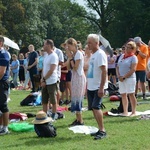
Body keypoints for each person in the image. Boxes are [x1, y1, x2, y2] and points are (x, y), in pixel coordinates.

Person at [86, 34, 107, 140]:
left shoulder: (100, 54)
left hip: (98, 86)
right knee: (93, 108)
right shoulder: (93, 55)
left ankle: (102, 130)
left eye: (90, 42)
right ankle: (99, 128)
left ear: (96, 43)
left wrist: (102, 87)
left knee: (96, 107)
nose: (88, 44)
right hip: (91, 86)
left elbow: (104, 71)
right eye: (87, 42)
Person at [66, 38, 86, 126]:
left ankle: (80, 120)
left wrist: (70, 59)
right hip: (74, 77)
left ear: (73, 45)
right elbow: (68, 68)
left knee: (78, 98)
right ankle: (77, 119)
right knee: (74, 97)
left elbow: (75, 67)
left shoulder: (78, 54)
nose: (68, 48)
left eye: (69, 46)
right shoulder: (74, 54)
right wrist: (69, 58)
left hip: (79, 77)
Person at [116, 41, 138, 116]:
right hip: (121, 78)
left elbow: (133, 69)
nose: (126, 49)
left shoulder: (133, 57)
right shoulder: (122, 56)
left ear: (133, 49)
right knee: (123, 94)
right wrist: (118, 75)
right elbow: (117, 66)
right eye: (126, 47)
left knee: (131, 94)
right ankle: (125, 111)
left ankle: (133, 111)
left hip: (130, 78)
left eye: (129, 48)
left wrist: (124, 76)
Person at [41, 39, 59, 120]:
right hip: (45, 80)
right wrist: (42, 79)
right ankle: (45, 115)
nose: (43, 46)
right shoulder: (46, 55)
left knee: (52, 98)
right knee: (44, 99)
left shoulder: (54, 56)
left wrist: (44, 79)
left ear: (48, 45)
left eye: (44, 44)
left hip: (52, 80)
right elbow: (44, 69)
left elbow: (52, 70)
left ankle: (54, 114)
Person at [0, 36, 10, 135]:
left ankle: (5, 128)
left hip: (2, 82)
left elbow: (1, 72)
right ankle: (0, 126)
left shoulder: (3, 54)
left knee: (3, 105)